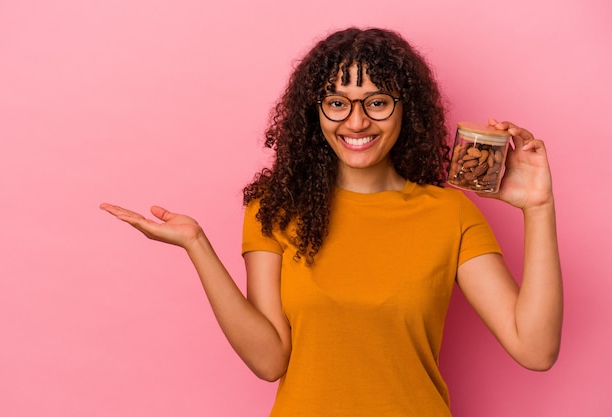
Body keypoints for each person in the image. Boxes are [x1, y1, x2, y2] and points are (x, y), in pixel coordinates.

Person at [100, 27, 562, 417]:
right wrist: (197, 244)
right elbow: (269, 360)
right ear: (314, 111)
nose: (356, 121)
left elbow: (534, 349)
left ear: (407, 109)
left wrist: (537, 208)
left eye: (377, 102)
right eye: (337, 103)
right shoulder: (275, 210)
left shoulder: (450, 213)